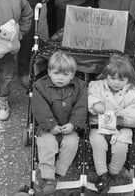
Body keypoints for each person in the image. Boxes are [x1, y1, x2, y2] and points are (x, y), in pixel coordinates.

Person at [88, 54, 135, 193]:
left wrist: (125, 115)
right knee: (97, 142)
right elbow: (91, 95)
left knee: (120, 147)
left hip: (122, 127)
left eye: (122, 79)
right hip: (99, 125)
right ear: (105, 76)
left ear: (128, 78)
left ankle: (113, 172)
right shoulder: (96, 85)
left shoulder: (132, 92)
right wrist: (96, 105)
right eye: (112, 78)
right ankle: (102, 174)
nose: (116, 82)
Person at [31, 52, 88, 195]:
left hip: (69, 127)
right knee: (47, 145)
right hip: (48, 128)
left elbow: (81, 107)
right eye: (56, 73)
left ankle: (58, 173)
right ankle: (47, 176)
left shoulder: (80, 87)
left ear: (73, 74)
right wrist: (51, 125)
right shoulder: (40, 86)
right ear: (49, 72)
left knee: (71, 145)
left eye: (65, 74)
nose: (60, 78)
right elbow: (40, 108)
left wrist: (74, 124)